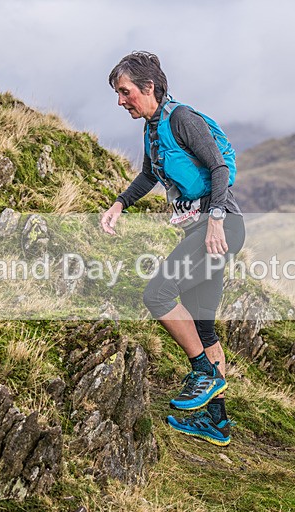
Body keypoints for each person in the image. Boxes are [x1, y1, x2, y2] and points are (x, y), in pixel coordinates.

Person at [100, 51, 245, 446]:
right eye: (117, 93)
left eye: (125, 91)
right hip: (201, 229)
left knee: (158, 293)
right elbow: (150, 174)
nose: (120, 101)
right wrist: (119, 204)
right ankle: (217, 423)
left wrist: (215, 220)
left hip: (219, 227)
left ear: (149, 87)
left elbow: (218, 168)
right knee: (202, 324)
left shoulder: (182, 119)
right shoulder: (153, 126)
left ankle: (204, 372)